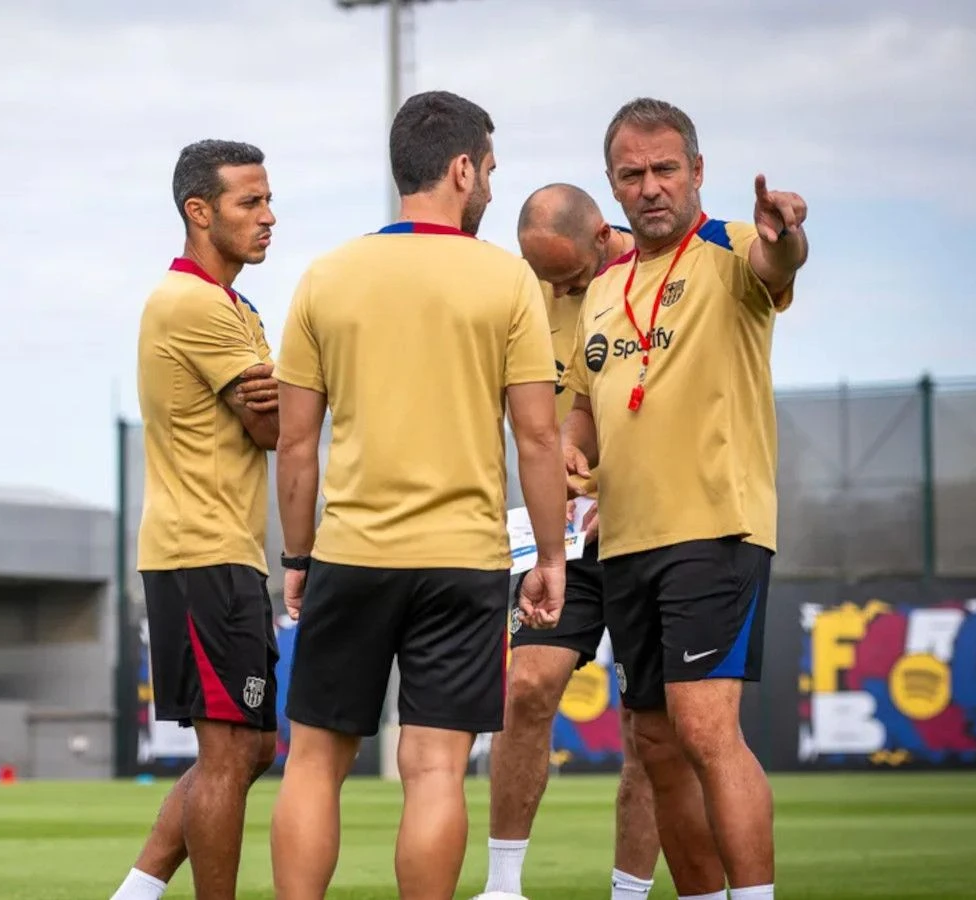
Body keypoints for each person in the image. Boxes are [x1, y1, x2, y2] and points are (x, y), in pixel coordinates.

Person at [268, 90, 571, 900]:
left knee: (314, 761)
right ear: (462, 169)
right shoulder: (507, 281)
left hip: (351, 554)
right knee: (435, 768)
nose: (493, 187)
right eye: (491, 171)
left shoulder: (325, 277)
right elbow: (538, 439)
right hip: (463, 563)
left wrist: (296, 556)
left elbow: (295, 445)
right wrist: (549, 557)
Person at [561, 97, 808, 900]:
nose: (650, 187)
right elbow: (585, 404)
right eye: (631, 174)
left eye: (666, 168)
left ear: (698, 171)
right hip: (624, 542)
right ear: (612, 185)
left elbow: (780, 264)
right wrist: (569, 449)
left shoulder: (733, 247)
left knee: (705, 729)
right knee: (658, 745)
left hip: (715, 529)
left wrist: (786, 234)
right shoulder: (604, 288)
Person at [479, 183, 674, 900]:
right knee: (527, 686)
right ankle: (503, 886)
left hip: (653, 528)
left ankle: (629, 894)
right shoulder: (524, 293)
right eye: (545, 276)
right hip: (560, 535)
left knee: (647, 726)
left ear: (602, 234)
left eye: (567, 276)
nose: (557, 291)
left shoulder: (664, 281)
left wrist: (625, 484)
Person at [110, 139, 284, 900]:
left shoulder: (237, 307)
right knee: (230, 753)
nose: (269, 216)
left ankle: (136, 892)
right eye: (251, 202)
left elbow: (273, 412)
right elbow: (272, 426)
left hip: (226, 551)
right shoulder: (192, 303)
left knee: (252, 748)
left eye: (269, 199)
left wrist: (287, 392)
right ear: (199, 211)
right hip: (200, 550)